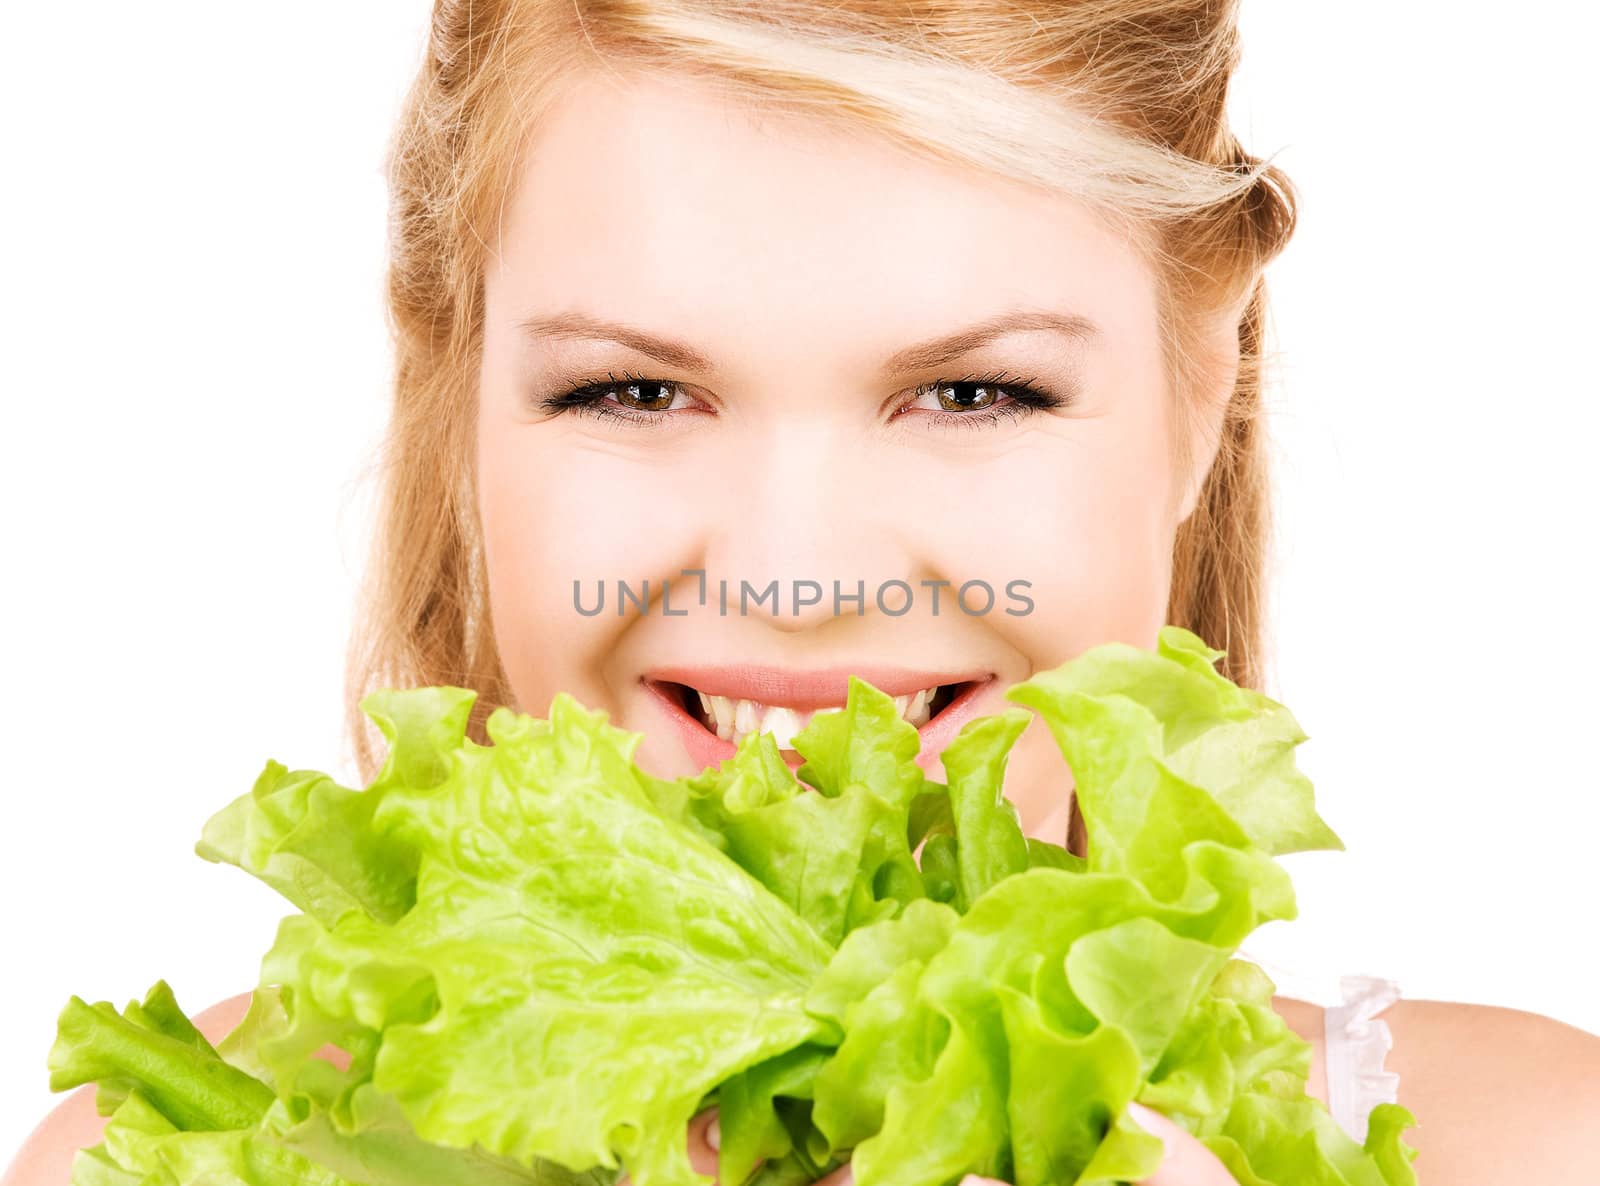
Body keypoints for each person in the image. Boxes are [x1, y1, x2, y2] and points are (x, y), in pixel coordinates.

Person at [7, 2, 1598, 1183]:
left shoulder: (1530, 1150)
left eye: (975, 393)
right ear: (457, 389)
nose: (790, 574)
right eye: (633, 392)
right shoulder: (160, 1157)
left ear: (1205, 379)